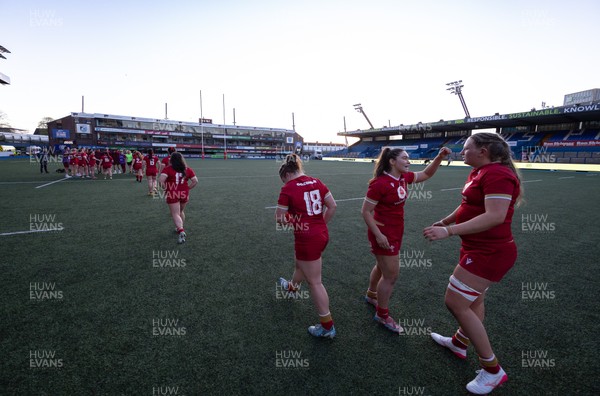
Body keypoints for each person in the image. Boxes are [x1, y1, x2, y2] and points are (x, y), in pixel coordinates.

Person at [423, 133, 522, 395]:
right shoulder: (479, 172)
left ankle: (492, 370)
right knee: (473, 301)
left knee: (455, 302)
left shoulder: (497, 174)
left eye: (466, 149)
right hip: (477, 248)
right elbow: (467, 204)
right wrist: (445, 221)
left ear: (484, 150)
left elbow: (495, 216)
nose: (462, 152)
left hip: (490, 252)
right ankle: (458, 342)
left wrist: (450, 231)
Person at [362, 146, 451, 333]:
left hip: (395, 232)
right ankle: (382, 315)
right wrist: (379, 235)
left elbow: (426, 174)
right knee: (391, 276)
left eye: (408, 157)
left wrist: (439, 157)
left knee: (381, 266)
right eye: (404, 158)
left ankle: (371, 295)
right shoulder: (380, 184)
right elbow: (365, 212)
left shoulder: (403, 178)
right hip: (383, 234)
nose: (408, 161)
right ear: (392, 161)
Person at [276, 154, 338, 338]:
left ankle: (327, 327)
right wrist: (319, 224)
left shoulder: (288, 188)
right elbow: (332, 206)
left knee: (315, 281)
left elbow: (279, 219)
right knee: (300, 264)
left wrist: (296, 220)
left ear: (286, 174)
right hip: (321, 234)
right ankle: (292, 288)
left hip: (306, 237)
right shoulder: (316, 182)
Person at [158, 152, 198, 244]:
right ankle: (180, 228)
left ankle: (181, 230)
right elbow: (195, 181)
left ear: (171, 160)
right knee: (180, 212)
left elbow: (160, 181)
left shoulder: (168, 169)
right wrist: (188, 188)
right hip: (184, 193)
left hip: (173, 193)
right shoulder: (187, 169)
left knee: (175, 213)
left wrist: (166, 188)